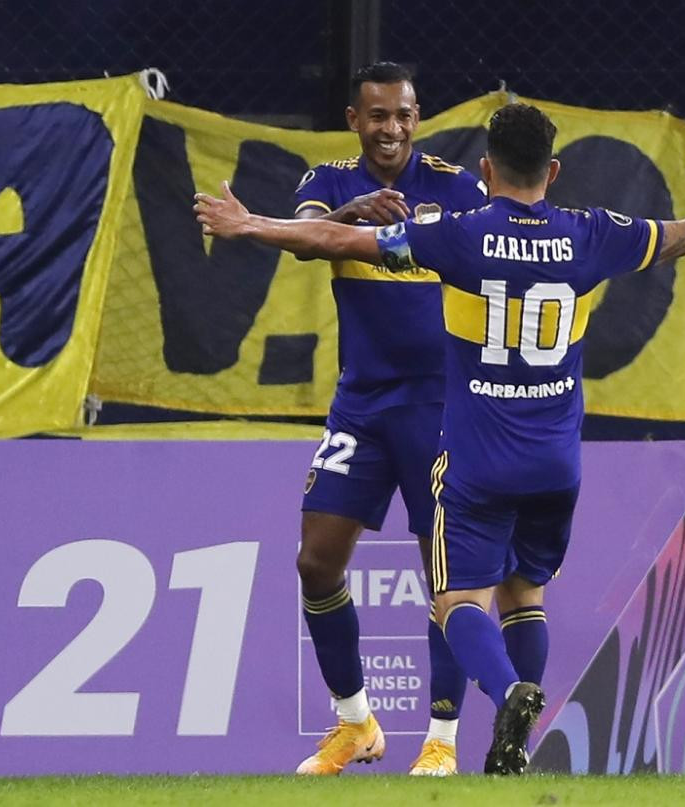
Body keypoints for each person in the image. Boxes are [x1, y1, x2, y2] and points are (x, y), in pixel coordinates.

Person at [194, 102, 685, 774]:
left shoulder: (455, 237)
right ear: (553, 169)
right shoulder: (592, 234)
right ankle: (512, 740)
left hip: (478, 461)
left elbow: (337, 243)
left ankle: (508, 690)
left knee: (457, 599)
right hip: (556, 463)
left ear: (486, 169)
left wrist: (247, 221)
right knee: (527, 594)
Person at [286, 62, 486, 776]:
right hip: (363, 403)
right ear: (354, 120)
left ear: (417, 116)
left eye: (403, 114)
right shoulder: (328, 181)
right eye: (377, 116)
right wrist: (351, 216)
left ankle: (442, 740)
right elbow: (302, 237)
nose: (391, 128)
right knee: (316, 560)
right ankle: (355, 723)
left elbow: (496, 261)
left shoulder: (459, 187)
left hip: (441, 403)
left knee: (447, 573)